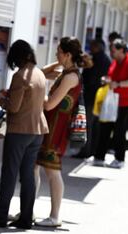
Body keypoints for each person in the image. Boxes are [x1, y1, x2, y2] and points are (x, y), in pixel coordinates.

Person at [0, 39, 49, 229]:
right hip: (37, 130)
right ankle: (26, 218)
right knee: (27, 176)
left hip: (19, 131)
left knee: (9, 173)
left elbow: (14, 107)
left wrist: (0, 99)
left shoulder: (20, 76)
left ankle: (0, 215)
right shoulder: (39, 74)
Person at [34, 37, 91, 227]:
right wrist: (60, 61)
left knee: (52, 171)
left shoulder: (70, 77)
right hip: (49, 126)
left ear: (68, 54)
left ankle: (54, 215)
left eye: (59, 52)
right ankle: (28, 209)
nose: (55, 54)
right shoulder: (65, 71)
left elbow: (49, 104)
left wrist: (39, 91)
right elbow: (40, 72)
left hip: (56, 129)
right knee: (35, 167)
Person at [94, 39, 128, 168]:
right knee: (105, 128)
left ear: (122, 50)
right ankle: (99, 157)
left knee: (119, 130)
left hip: (124, 102)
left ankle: (120, 159)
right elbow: (111, 76)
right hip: (111, 100)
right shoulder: (115, 62)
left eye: (114, 50)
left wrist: (119, 84)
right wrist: (106, 80)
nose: (111, 52)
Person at [73, 39, 111, 158]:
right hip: (100, 96)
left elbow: (91, 79)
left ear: (97, 47)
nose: (90, 48)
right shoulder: (106, 59)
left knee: (87, 125)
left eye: (92, 46)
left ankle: (85, 151)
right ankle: (92, 150)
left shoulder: (96, 59)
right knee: (95, 125)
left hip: (91, 96)